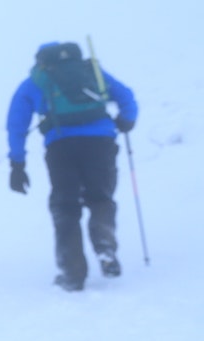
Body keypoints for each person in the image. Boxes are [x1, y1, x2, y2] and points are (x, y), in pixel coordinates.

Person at [7, 41, 138, 291]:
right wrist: (126, 120)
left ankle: (72, 273)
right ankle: (106, 247)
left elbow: (16, 123)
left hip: (61, 147)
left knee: (65, 207)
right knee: (101, 198)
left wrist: (17, 163)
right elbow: (126, 97)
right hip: (101, 143)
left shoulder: (37, 80)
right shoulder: (91, 72)